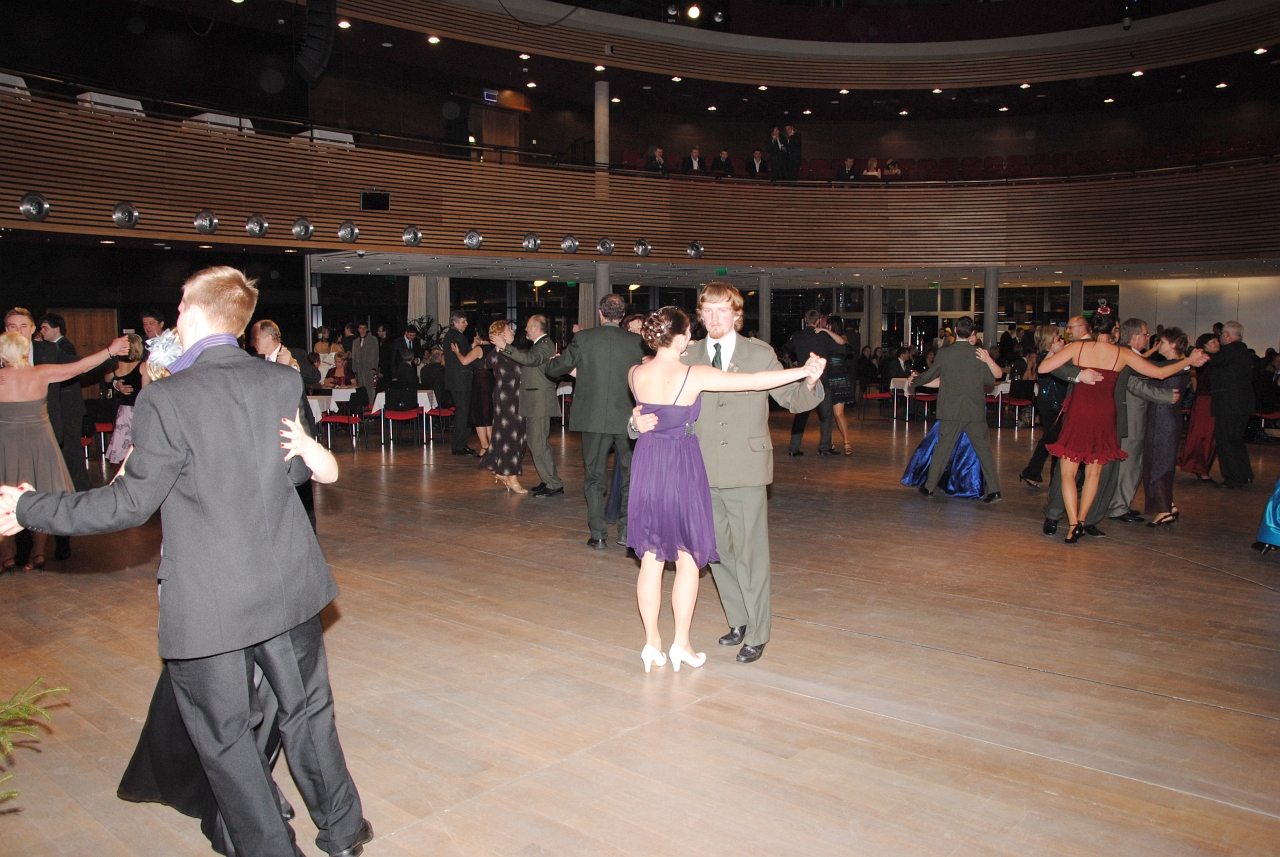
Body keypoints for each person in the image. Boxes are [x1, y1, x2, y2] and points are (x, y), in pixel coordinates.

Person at [0, 267, 371, 857]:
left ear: (194, 315)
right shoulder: (279, 381)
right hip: (288, 585)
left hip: (212, 599)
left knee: (226, 738)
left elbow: (128, 504)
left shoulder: (167, 398)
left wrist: (29, 507)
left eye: (178, 310)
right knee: (308, 712)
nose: (174, 319)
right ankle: (344, 831)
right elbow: (295, 472)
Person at [634, 283, 824, 664]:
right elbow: (652, 405)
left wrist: (809, 379)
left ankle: (758, 631)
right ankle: (738, 619)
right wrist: (635, 423)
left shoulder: (760, 353)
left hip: (745, 467)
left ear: (737, 314)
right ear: (699, 317)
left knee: (751, 554)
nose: (714, 317)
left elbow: (791, 399)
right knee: (713, 554)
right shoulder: (686, 353)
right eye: (707, 310)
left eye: (722, 310)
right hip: (695, 472)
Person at [1039, 308, 1204, 544]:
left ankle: (1073, 524)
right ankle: (1082, 521)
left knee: (1068, 472)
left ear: (1092, 328)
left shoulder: (1078, 348)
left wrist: (1078, 373)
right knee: (1094, 473)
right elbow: (1159, 373)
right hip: (1105, 415)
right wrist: (1188, 360)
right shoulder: (1122, 353)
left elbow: (1044, 368)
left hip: (1080, 413)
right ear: (1114, 330)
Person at [0, 331, 128, 572]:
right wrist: (110, 350)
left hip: (6, 445)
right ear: (25, 352)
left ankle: (6, 557)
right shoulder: (40, 373)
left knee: (3, 496)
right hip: (40, 444)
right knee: (41, 494)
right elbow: (81, 366)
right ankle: (38, 555)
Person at [545, 294, 645, 549]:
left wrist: (552, 363)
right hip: (628, 419)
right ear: (623, 315)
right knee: (630, 476)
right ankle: (626, 532)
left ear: (600, 313)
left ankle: (598, 535)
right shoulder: (637, 342)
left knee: (594, 477)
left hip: (593, 419)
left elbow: (556, 369)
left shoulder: (584, 339)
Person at [909, 316, 1003, 502]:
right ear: (972, 332)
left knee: (943, 449)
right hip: (974, 410)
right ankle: (994, 490)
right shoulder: (979, 354)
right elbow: (989, 381)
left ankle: (929, 487)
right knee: (984, 451)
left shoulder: (945, 353)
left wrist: (916, 380)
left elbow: (931, 374)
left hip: (951, 410)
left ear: (956, 331)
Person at [1105, 318, 1178, 524]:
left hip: (1134, 417)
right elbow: (1135, 385)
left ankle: (1121, 504)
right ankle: (1118, 507)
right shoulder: (1127, 355)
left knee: (1132, 465)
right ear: (1135, 336)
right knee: (1129, 465)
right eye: (1146, 334)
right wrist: (1166, 396)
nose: (1148, 338)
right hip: (1131, 419)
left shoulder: (1132, 354)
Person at [496, 314, 561, 496]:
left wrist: (505, 347)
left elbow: (531, 360)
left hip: (539, 403)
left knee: (539, 444)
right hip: (535, 402)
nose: (525, 329)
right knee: (536, 443)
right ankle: (548, 480)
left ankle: (553, 483)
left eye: (527, 326)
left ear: (534, 328)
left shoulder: (544, 345)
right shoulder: (541, 345)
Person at [1142, 328, 1191, 526]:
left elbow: (1142, 365)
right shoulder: (1177, 365)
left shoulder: (1173, 366)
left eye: (1161, 342)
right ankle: (1168, 504)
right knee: (1159, 461)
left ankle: (1164, 510)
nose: (1158, 345)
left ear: (1173, 344)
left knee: (1159, 463)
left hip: (1163, 419)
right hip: (1164, 418)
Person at [1202, 321, 1254, 489]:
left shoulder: (1231, 350)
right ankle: (1244, 475)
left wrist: (1199, 351)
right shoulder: (1242, 350)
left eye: (1221, 335)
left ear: (1227, 335)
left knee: (1226, 441)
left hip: (1229, 404)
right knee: (1236, 440)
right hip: (1241, 404)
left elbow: (1213, 360)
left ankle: (1233, 478)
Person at [479, 321, 527, 494]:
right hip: (506, 400)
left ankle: (502, 472)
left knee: (517, 437)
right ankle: (511, 477)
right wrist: (498, 347)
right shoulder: (499, 353)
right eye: (508, 329)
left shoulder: (513, 351)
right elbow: (488, 362)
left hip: (517, 399)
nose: (512, 330)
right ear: (501, 334)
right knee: (510, 437)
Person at [1019, 325, 1068, 487]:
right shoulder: (1046, 357)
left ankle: (1033, 472)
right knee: (1053, 441)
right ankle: (1052, 479)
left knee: (1050, 439)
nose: (1060, 339)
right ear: (1049, 339)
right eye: (1057, 336)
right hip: (1052, 403)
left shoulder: (1048, 356)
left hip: (1052, 402)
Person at [786, 310, 837, 456]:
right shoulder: (822, 336)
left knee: (801, 415)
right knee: (826, 416)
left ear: (805, 319)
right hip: (822, 380)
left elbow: (787, 348)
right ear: (819, 321)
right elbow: (840, 348)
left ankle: (793, 448)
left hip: (804, 380)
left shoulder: (797, 336)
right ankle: (825, 447)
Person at [1178, 332, 1219, 481]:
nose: (1217, 344)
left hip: (1210, 400)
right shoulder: (1205, 359)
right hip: (1205, 401)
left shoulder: (1216, 359)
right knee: (1203, 436)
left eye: (1217, 341)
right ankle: (1200, 469)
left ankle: (1200, 468)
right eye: (1213, 342)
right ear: (1204, 346)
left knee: (1209, 437)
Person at [103, 334, 148, 465]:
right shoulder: (143, 366)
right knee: (138, 442)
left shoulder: (116, 366)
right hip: (137, 409)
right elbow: (145, 392)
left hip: (123, 410)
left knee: (122, 443)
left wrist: (116, 384)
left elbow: (106, 379)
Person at [452, 330, 495, 456]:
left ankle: (484, 446)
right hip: (491, 383)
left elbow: (464, 361)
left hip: (480, 385)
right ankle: (492, 446)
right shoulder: (494, 348)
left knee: (478, 416)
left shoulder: (479, 349)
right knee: (488, 415)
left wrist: (457, 352)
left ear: (479, 336)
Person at [442, 310, 478, 456]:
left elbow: (463, 353)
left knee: (462, 413)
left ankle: (460, 444)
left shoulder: (449, 336)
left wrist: (472, 347)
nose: (466, 324)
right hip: (462, 381)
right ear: (455, 322)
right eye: (463, 321)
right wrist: (476, 350)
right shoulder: (459, 336)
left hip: (455, 380)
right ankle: (459, 446)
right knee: (464, 414)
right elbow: (467, 358)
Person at [818, 316, 855, 455]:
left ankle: (847, 442)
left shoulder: (843, 337)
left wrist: (825, 331)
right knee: (826, 415)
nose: (826, 327)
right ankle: (829, 443)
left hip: (839, 378)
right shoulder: (825, 339)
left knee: (839, 414)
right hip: (827, 378)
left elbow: (841, 341)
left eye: (828, 325)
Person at [347, 322, 380, 406]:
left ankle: (370, 405)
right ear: (358, 329)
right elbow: (354, 356)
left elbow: (376, 354)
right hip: (359, 368)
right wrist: (354, 369)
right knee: (360, 388)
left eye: (364, 328)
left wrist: (374, 367)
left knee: (369, 388)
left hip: (368, 367)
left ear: (367, 329)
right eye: (360, 328)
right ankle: (362, 406)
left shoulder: (372, 339)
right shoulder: (355, 341)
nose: (362, 330)